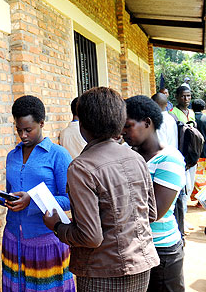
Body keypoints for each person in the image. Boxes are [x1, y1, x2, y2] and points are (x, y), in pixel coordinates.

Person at [43, 87, 159, 292]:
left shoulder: (82, 168)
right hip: (141, 264)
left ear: (83, 126)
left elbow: (91, 237)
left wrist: (57, 226)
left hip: (102, 272)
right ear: (120, 123)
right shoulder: (137, 158)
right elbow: (150, 213)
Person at [0, 95, 75, 292]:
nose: (23, 135)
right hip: (13, 240)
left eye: (28, 130)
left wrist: (31, 200)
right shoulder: (12, 156)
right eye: (19, 130)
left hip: (46, 241)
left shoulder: (58, 155)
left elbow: (70, 200)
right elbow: (13, 196)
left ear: (42, 123)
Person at [123, 95, 186, 292]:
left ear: (147, 123)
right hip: (136, 249)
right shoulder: (129, 155)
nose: (123, 132)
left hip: (162, 251)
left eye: (128, 126)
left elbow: (154, 212)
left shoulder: (169, 159)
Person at [171, 85, 196, 231]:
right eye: (183, 96)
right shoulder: (172, 113)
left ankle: (184, 218)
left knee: (190, 187)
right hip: (181, 157)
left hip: (191, 156)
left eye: (188, 96)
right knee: (182, 188)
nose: (186, 99)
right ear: (177, 97)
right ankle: (182, 220)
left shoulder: (191, 112)